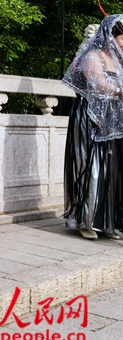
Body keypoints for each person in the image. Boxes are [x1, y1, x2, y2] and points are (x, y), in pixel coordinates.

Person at [62, 15, 123, 240]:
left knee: (111, 167)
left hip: (114, 119)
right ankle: (85, 221)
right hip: (90, 116)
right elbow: (98, 85)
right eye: (122, 38)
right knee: (91, 165)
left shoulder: (120, 60)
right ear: (110, 36)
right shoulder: (92, 56)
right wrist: (120, 90)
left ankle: (107, 223)